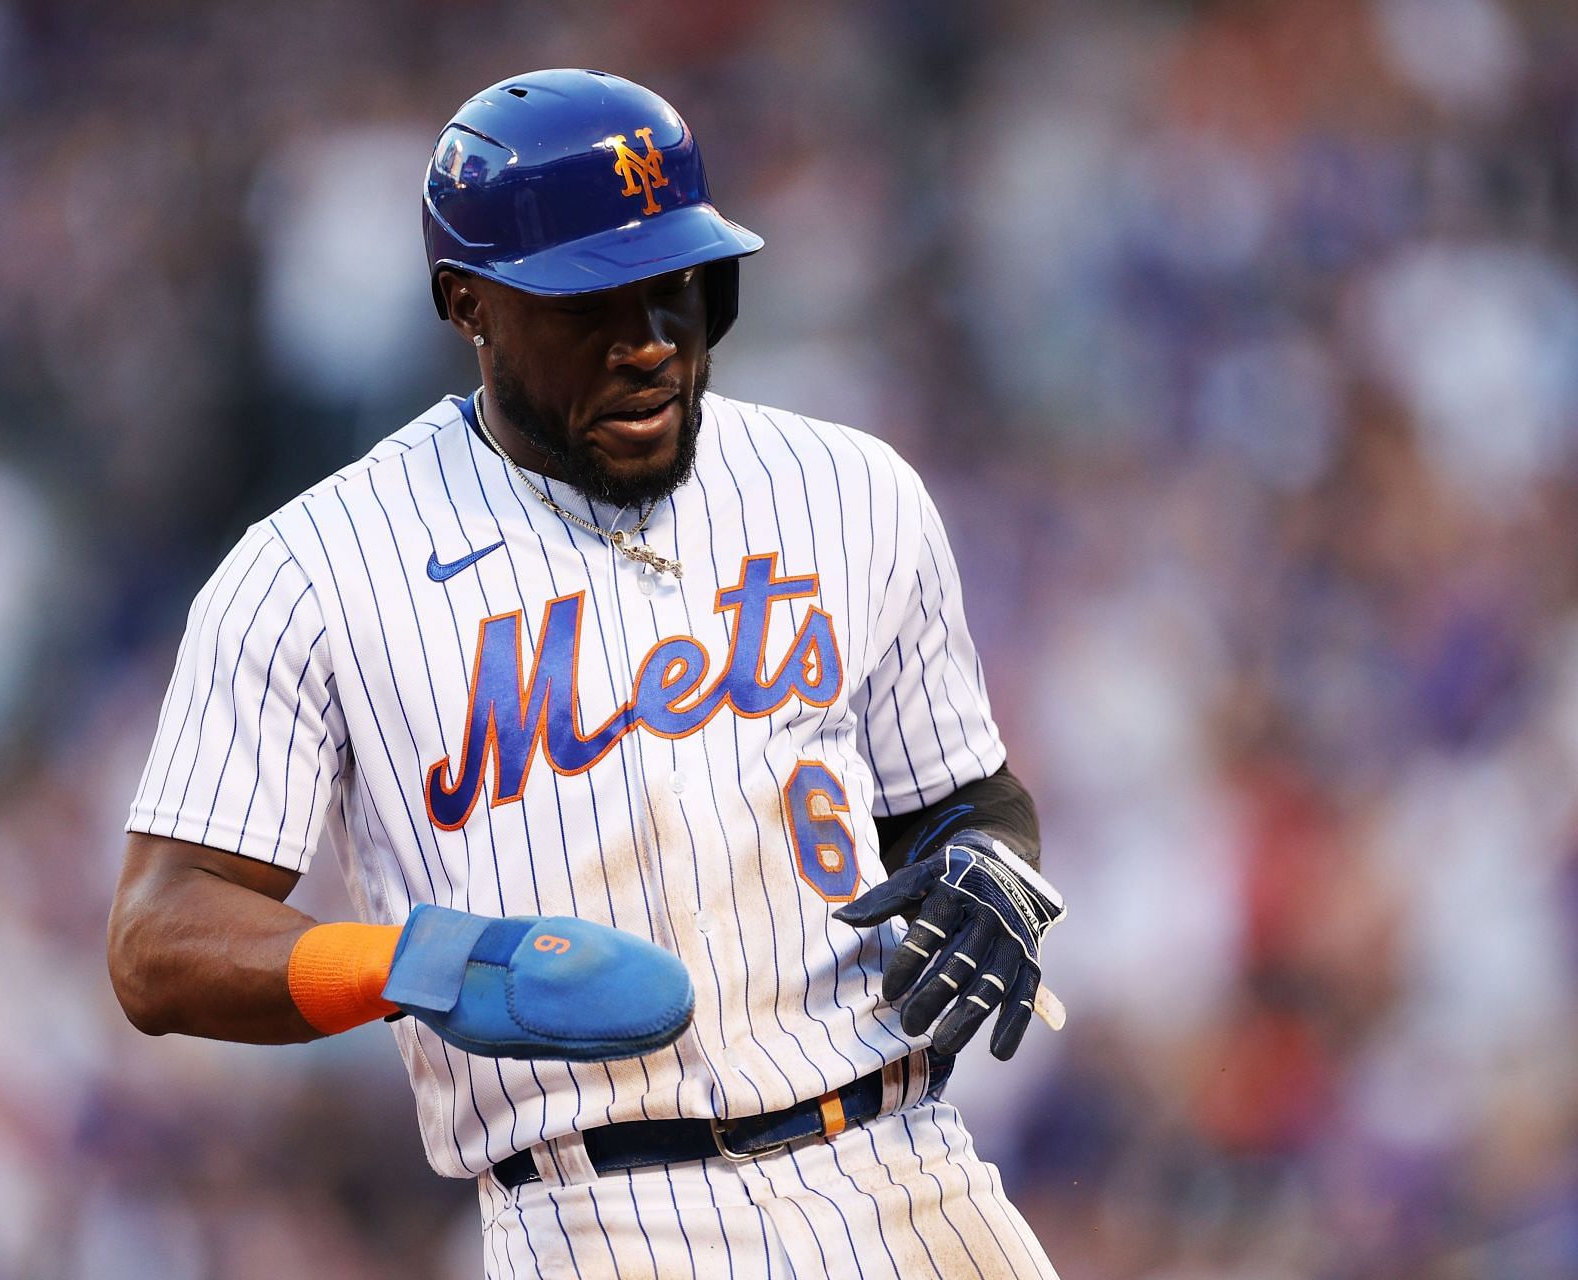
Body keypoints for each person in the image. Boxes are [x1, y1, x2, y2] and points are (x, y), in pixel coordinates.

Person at [109, 67, 1065, 1278]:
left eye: (678, 289)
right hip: (598, 1221)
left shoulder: (851, 488)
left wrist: (990, 864)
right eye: (589, 306)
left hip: (909, 1171)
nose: (650, 345)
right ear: (468, 302)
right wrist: (414, 964)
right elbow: (158, 936)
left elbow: (963, 793)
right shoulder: (313, 569)